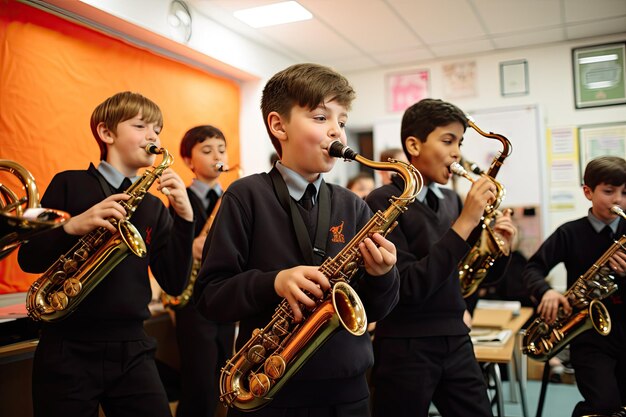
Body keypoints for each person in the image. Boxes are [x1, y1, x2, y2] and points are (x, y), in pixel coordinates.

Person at [193, 63, 400, 417]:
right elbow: (211, 297)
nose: (337, 131)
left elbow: (375, 310)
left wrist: (383, 276)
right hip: (272, 389)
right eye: (321, 117)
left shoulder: (352, 204)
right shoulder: (246, 196)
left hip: (349, 391)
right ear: (278, 125)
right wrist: (273, 282)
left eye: (343, 121)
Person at [18, 91, 195, 417]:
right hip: (66, 346)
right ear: (106, 133)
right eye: (141, 125)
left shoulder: (155, 206)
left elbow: (174, 282)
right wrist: (73, 226)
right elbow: (27, 259)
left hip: (132, 348)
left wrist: (185, 219)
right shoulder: (69, 184)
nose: (153, 135)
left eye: (157, 128)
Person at [365, 98, 516, 417]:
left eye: (459, 142)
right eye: (448, 140)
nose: (457, 152)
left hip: (456, 337)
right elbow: (409, 287)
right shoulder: (383, 200)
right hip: (405, 344)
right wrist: (466, 223)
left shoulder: (450, 199)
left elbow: (471, 277)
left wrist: (499, 247)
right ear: (413, 145)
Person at [523, 156, 626, 417]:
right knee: (603, 405)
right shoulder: (569, 233)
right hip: (590, 339)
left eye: (625, 193)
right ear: (587, 192)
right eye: (609, 191)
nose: (618, 200)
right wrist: (546, 291)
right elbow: (532, 268)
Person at [171, 125, 235, 417]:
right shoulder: (178, 200)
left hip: (226, 298)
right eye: (206, 151)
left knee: (226, 377)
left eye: (221, 150)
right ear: (188, 160)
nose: (216, 157)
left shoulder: (235, 199)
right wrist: (193, 245)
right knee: (199, 384)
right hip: (193, 302)